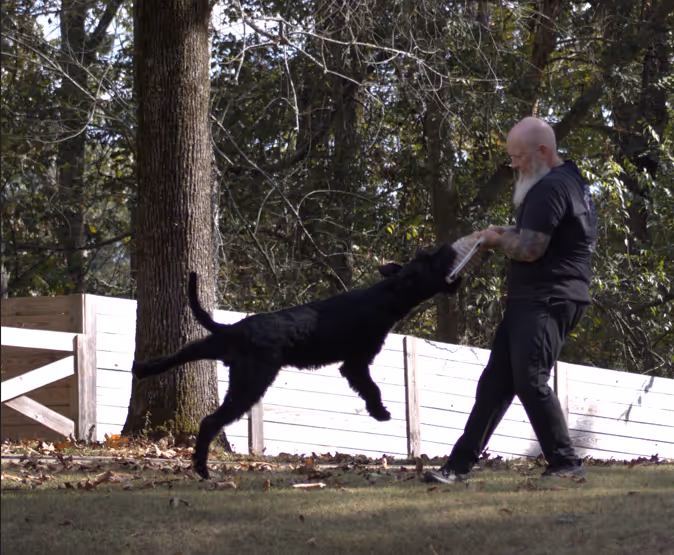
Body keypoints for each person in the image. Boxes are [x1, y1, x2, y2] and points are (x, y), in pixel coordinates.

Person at [426, 117, 598, 483]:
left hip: (547, 295)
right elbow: (548, 235)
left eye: (519, 157)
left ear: (542, 151)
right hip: (542, 295)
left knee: (530, 379)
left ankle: (566, 464)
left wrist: (494, 240)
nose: (514, 165)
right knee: (496, 384)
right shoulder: (571, 180)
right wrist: (507, 233)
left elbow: (532, 250)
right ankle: (456, 468)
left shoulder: (548, 188)